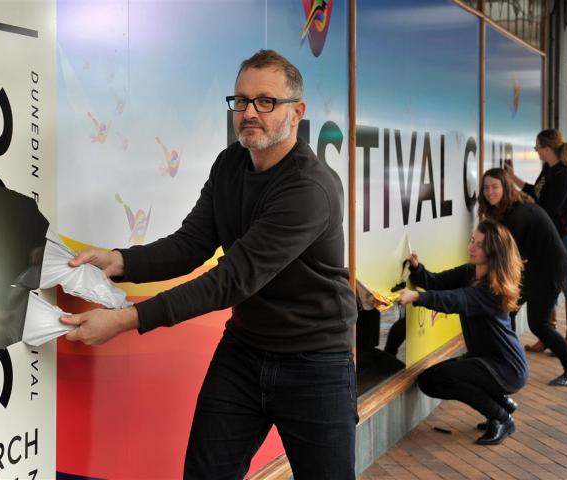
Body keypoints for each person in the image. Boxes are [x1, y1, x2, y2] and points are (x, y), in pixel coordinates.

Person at [59, 50, 359, 480]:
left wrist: (127, 319)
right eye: (241, 100)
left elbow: (231, 279)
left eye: (265, 101)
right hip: (245, 353)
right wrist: (119, 260)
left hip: (316, 364)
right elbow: (191, 244)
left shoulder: (309, 187)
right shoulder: (230, 164)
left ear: (297, 112)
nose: (250, 112)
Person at [397, 220, 527, 445]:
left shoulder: (491, 290)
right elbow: (437, 282)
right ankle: (500, 404)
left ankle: (502, 417)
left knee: (444, 378)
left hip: (506, 368)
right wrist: (417, 269)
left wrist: (417, 297)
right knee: (429, 381)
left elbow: (456, 299)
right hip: (485, 360)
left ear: (494, 251)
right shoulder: (470, 272)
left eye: (480, 244)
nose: (472, 247)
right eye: (472, 241)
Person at [479, 168, 567, 386]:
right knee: (507, 309)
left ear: (505, 187)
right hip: (537, 267)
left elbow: (505, 255)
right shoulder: (509, 209)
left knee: (538, 323)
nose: (490, 192)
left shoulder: (516, 214)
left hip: (549, 269)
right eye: (486, 187)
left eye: (495, 187)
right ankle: (503, 359)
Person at [505, 129, 567, 356]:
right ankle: (547, 336)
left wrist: (523, 212)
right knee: (548, 283)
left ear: (546, 148)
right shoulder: (548, 169)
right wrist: (513, 178)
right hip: (555, 235)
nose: (536, 152)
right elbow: (537, 193)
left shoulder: (564, 175)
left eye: (537, 148)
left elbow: (548, 209)